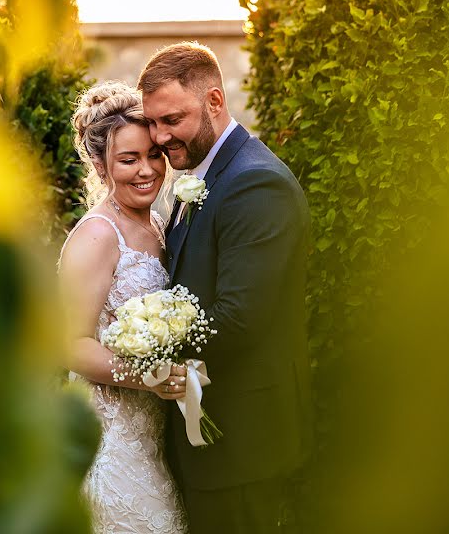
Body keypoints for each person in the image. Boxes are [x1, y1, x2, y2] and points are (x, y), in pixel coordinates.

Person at [138, 42, 313, 534]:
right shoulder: (207, 173)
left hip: (242, 438)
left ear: (215, 101)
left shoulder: (256, 184)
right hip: (211, 438)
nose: (159, 136)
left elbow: (239, 318)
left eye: (172, 119)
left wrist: (147, 347)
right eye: (152, 122)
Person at [58, 81, 189, 533]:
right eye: (128, 160)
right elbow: (70, 345)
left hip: (153, 437)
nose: (147, 170)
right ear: (100, 165)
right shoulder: (97, 236)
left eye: (153, 155)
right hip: (110, 445)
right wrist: (149, 378)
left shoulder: (156, 222)